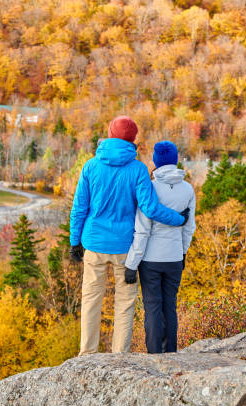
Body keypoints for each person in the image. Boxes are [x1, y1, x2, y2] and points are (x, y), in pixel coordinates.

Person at [69, 116, 190, 356]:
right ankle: (119, 356)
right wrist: (179, 219)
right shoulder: (137, 170)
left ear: (109, 134)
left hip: (94, 243)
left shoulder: (91, 166)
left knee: (91, 301)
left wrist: (75, 241)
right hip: (126, 247)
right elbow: (151, 208)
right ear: (133, 139)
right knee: (124, 304)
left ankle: (87, 354)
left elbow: (79, 207)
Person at [124, 141, 196, 353]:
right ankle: (171, 351)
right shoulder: (187, 189)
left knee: (153, 307)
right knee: (169, 307)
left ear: (155, 161)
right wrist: (183, 252)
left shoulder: (150, 187)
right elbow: (188, 226)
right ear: (175, 160)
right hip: (174, 257)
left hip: (150, 260)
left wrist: (132, 263)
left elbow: (143, 230)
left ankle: (155, 354)